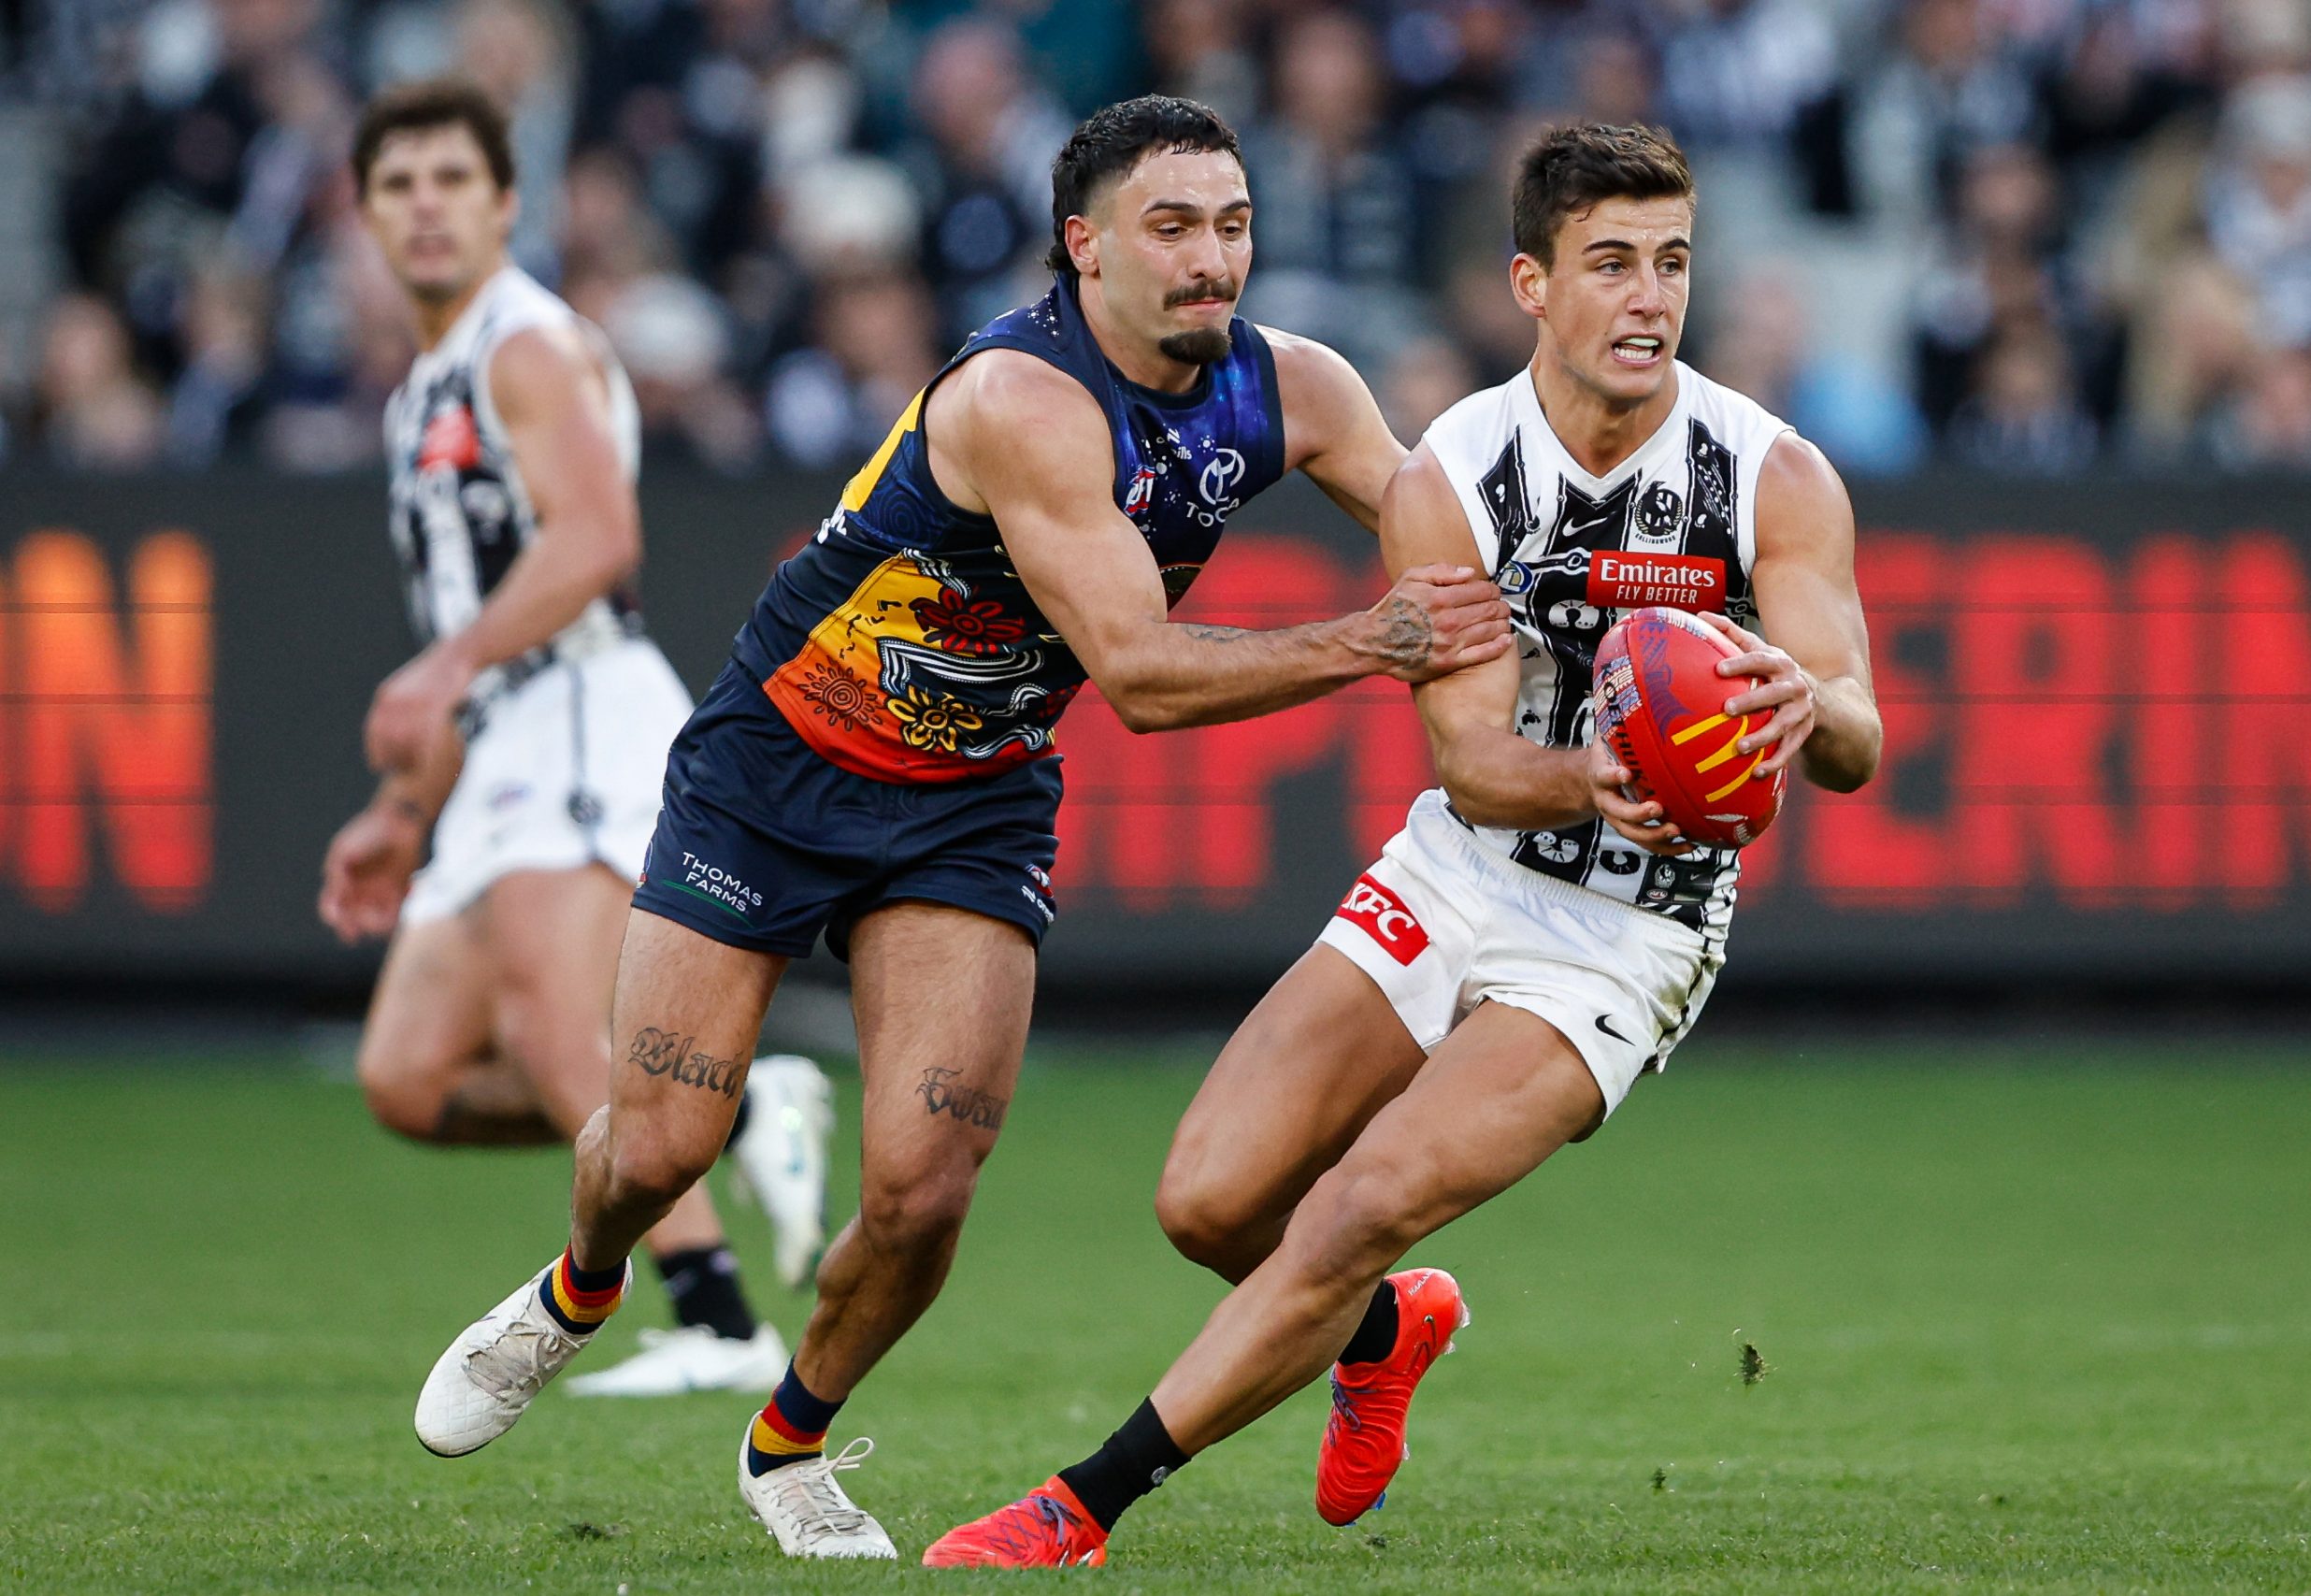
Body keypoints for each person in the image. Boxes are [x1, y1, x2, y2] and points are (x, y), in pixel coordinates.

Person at [410, 94, 1512, 1560]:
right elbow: (1139, 674)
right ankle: (580, 1290)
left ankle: (789, 1445)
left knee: (925, 1191)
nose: (1211, 261)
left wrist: (1603, 619)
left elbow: (1461, 534)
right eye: (1171, 228)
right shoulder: (1020, 402)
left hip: (970, 800)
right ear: (1086, 246)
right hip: (778, 763)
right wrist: (1378, 641)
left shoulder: (1298, 387)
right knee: (661, 1146)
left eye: (1233, 226)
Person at [926, 121, 1884, 1568]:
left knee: (1362, 1200)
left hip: (1634, 928)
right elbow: (1479, 770)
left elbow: (1864, 740)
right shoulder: (1453, 473)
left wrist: (1806, 702)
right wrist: (1601, 774)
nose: (1649, 299)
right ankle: (1388, 1331)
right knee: (1210, 1198)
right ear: (1532, 285)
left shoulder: (1774, 476)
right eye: (1611, 264)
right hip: (1466, 864)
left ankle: (1082, 1506)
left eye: (1673, 264)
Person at [319, 79, 832, 1401]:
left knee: (560, 1027)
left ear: (505, 204)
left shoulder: (522, 347)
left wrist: (443, 668)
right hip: (503, 731)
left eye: (451, 181)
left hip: (581, 706)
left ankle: (718, 1321)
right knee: (409, 1078)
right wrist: (401, 810)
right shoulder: (425, 381)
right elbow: (467, 621)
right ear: (365, 213)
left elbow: (597, 542)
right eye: (398, 184)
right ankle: (735, 1105)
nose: (425, 206)